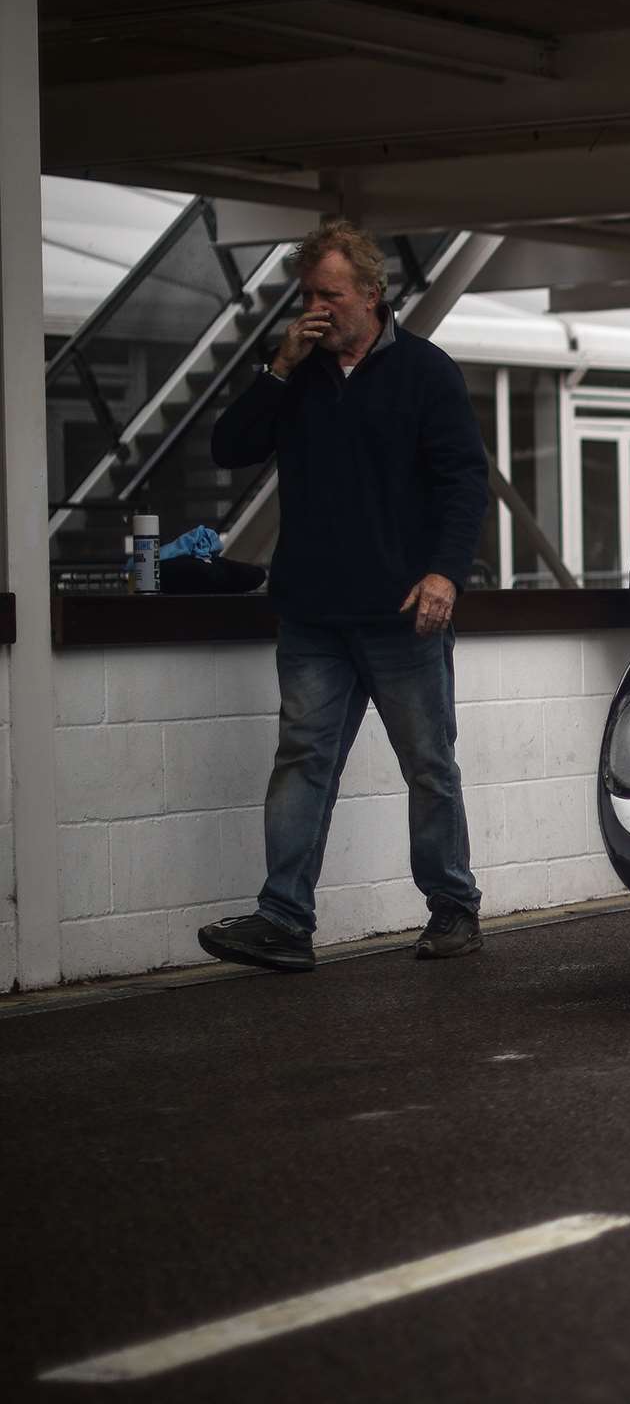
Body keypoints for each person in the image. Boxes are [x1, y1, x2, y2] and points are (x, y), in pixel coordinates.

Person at [196, 221, 490, 974]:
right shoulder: (296, 377)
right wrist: (277, 367)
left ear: (372, 292)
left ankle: (453, 907)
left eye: (330, 295)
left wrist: (445, 574)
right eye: (307, 296)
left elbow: (465, 483)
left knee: (428, 765)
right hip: (313, 615)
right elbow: (229, 449)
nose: (316, 310)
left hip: (403, 614)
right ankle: (283, 920)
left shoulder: (426, 372)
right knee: (302, 760)